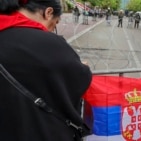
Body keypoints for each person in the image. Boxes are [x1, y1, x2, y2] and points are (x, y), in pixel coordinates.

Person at [0, 0, 92, 141]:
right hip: (41, 130)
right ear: (48, 13)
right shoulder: (50, 43)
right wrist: (83, 68)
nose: (51, 30)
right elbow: (79, 79)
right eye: (54, 24)